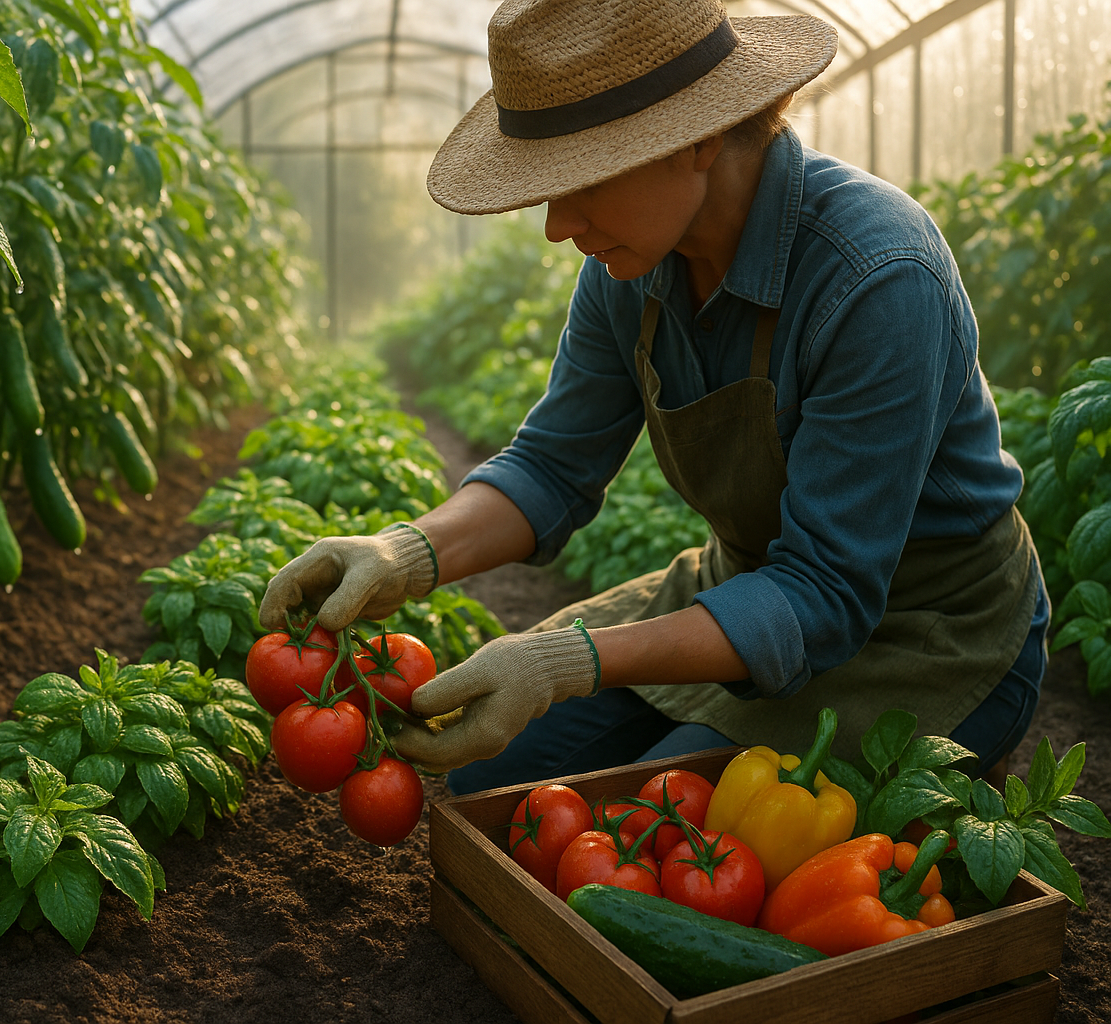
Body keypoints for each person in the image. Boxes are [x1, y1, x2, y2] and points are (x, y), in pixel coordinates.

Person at [258, 0, 1049, 795]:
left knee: (645, 816)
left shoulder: (876, 276)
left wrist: (566, 661)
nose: (556, 225)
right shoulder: (626, 269)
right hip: (740, 588)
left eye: (582, 180)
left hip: (929, 631)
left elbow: (827, 592)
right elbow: (552, 467)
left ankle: (971, 750)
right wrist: (403, 553)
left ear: (698, 138)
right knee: (490, 782)